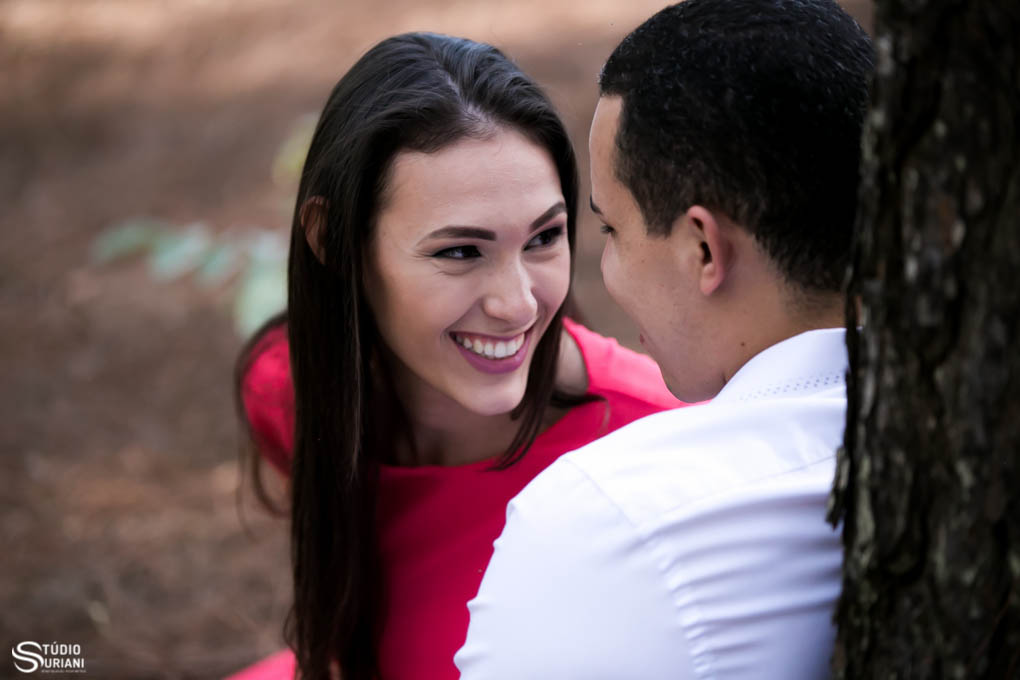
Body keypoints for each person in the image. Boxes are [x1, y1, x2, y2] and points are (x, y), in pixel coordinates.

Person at [226, 32, 684, 680]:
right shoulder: (290, 390)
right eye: (461, 251)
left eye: (544, 238)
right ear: (335, 241)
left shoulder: (654, 444)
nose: (518, 303)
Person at [455, 1, 874, 678]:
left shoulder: (610, 525)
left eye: (613, 230)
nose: (607, 275)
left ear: (704, 249)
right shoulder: (968, 437)